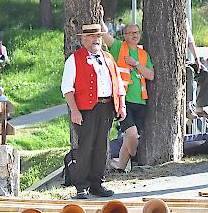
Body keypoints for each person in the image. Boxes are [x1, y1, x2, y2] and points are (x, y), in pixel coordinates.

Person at [61, 23, 126, 199]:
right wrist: (74, 111)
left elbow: (118, 84)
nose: (95, 40)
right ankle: (81, 185)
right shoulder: (74, 59)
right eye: (91, 37)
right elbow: (67, 89)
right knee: (86, 147)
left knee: (101, 147)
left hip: (106, 107)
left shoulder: (108, 58)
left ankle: (97, 184)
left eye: (97, 36)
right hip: (86, 109)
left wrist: (121, 106)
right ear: (83, 39)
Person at [101, 22, 155, 171]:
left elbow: (150, 75)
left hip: (140, 101)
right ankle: (135, 157)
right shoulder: (119, 47)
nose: (135, 35)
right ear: (125, 36)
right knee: (132, 135)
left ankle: (121, 167)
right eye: (131, 33)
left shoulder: (143, 54)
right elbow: (105, 35)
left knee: (129, 137)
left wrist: (136, 63)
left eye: (137, 32)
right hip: (124, 101)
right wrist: (100, 18)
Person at [186, 22, 208, 119]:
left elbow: (190, 41)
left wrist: (196, 59)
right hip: (173, 63)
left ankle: (200, 108)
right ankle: (187, 106)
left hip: (184, 60)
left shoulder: (184, 20)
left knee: (206, 74)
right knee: (189, 71)